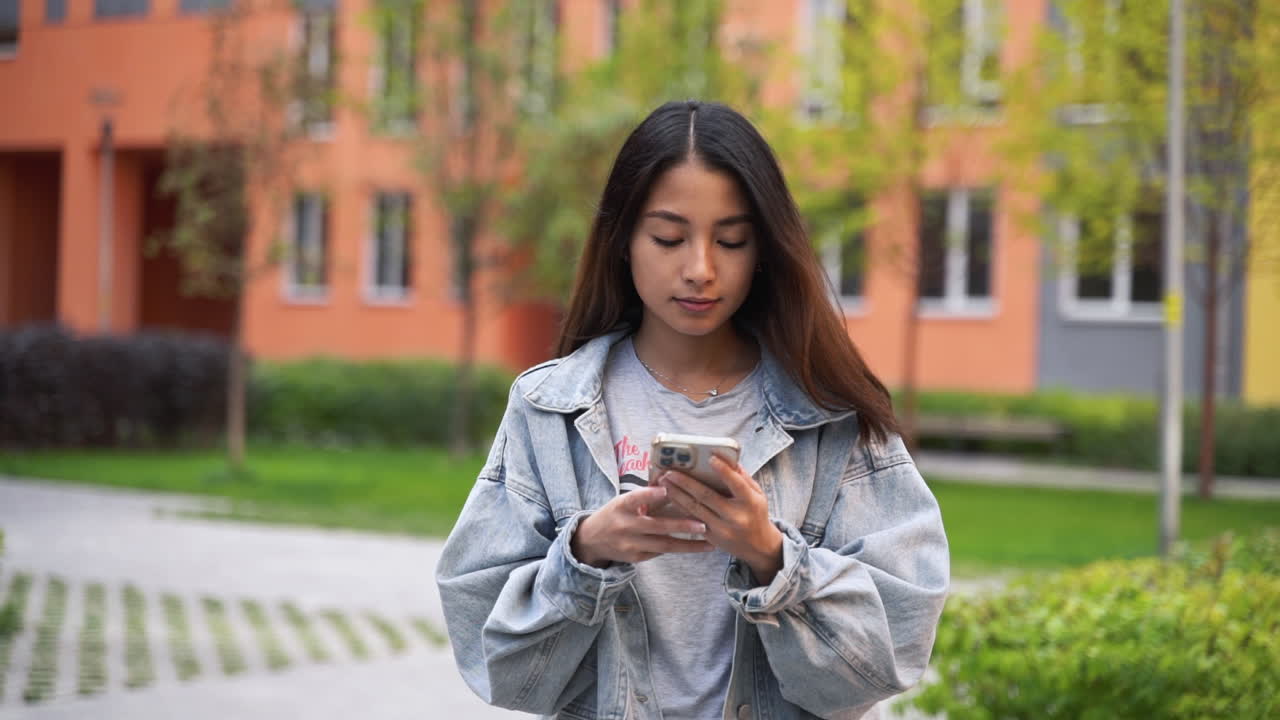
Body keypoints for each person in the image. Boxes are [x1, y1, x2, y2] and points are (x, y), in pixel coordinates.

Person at [435, 100, 949, 720]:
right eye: (669, 238)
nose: (700, 269)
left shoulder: (829, 413)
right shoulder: (551, 407)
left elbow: (888, 656)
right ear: (622, 240)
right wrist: (588, 552)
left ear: (764, 250)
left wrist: (771, 557)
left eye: (731, 240)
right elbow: (492, 656)